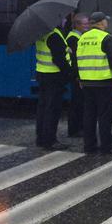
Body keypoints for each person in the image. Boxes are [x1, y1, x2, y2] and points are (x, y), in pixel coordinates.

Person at [77, 12, 112, 155]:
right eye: (105, 20)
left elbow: (76, 60)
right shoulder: (106, 38)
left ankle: (89, 146)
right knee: (105, 116)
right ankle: (106, 147)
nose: (107, 23)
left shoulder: (82, 38)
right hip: (104, 83)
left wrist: (79, 78)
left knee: (89, 115)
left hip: (87, 83)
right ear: (101, 23)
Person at [35, 22, 73, 150]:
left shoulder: (41, 33)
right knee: (53, 110)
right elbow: (59, 59)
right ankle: (50, 140)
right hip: (54, 77)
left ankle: (41, 138)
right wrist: (69, 73)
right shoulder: (55, 36)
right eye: (62, 18)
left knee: (43, 108)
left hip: (42, 74)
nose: (64, 20)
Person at [66, 13, 89, 138]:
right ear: (77, 25)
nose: (87, 26)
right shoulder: (73, 38)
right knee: (77, 103)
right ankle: (75, 129)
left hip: (78, 75)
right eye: (85, 24)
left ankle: (78, 127)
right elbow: (75, 60)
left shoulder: (78, 36)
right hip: (76, 76)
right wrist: (78, 76)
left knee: (80, 102)